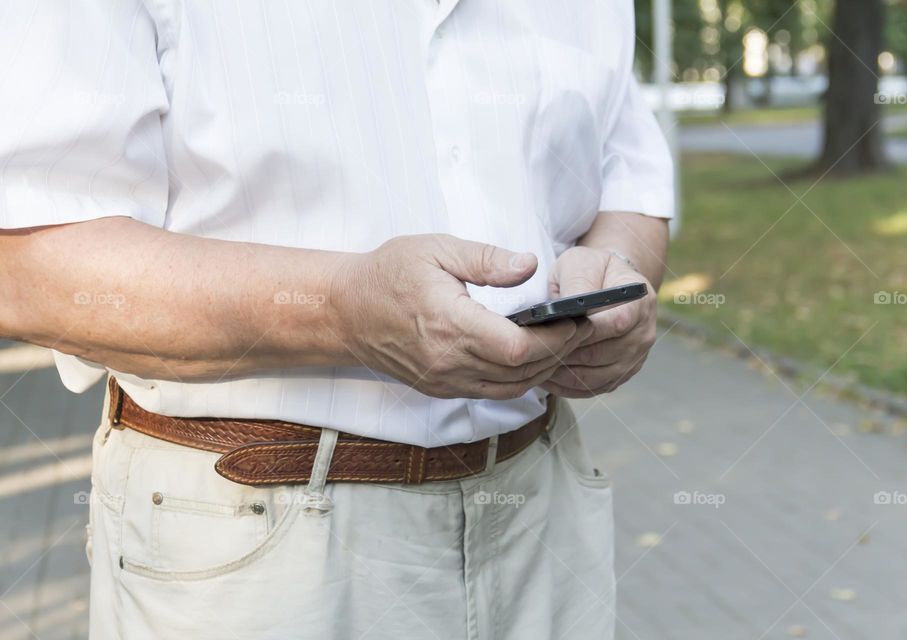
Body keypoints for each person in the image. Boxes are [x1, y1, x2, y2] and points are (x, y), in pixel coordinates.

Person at [0, 0, 673, 638]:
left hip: (544, 512)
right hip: (254, 543)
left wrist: (615, 277)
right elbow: (26, 266)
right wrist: (342, 308)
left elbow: (630, 184)